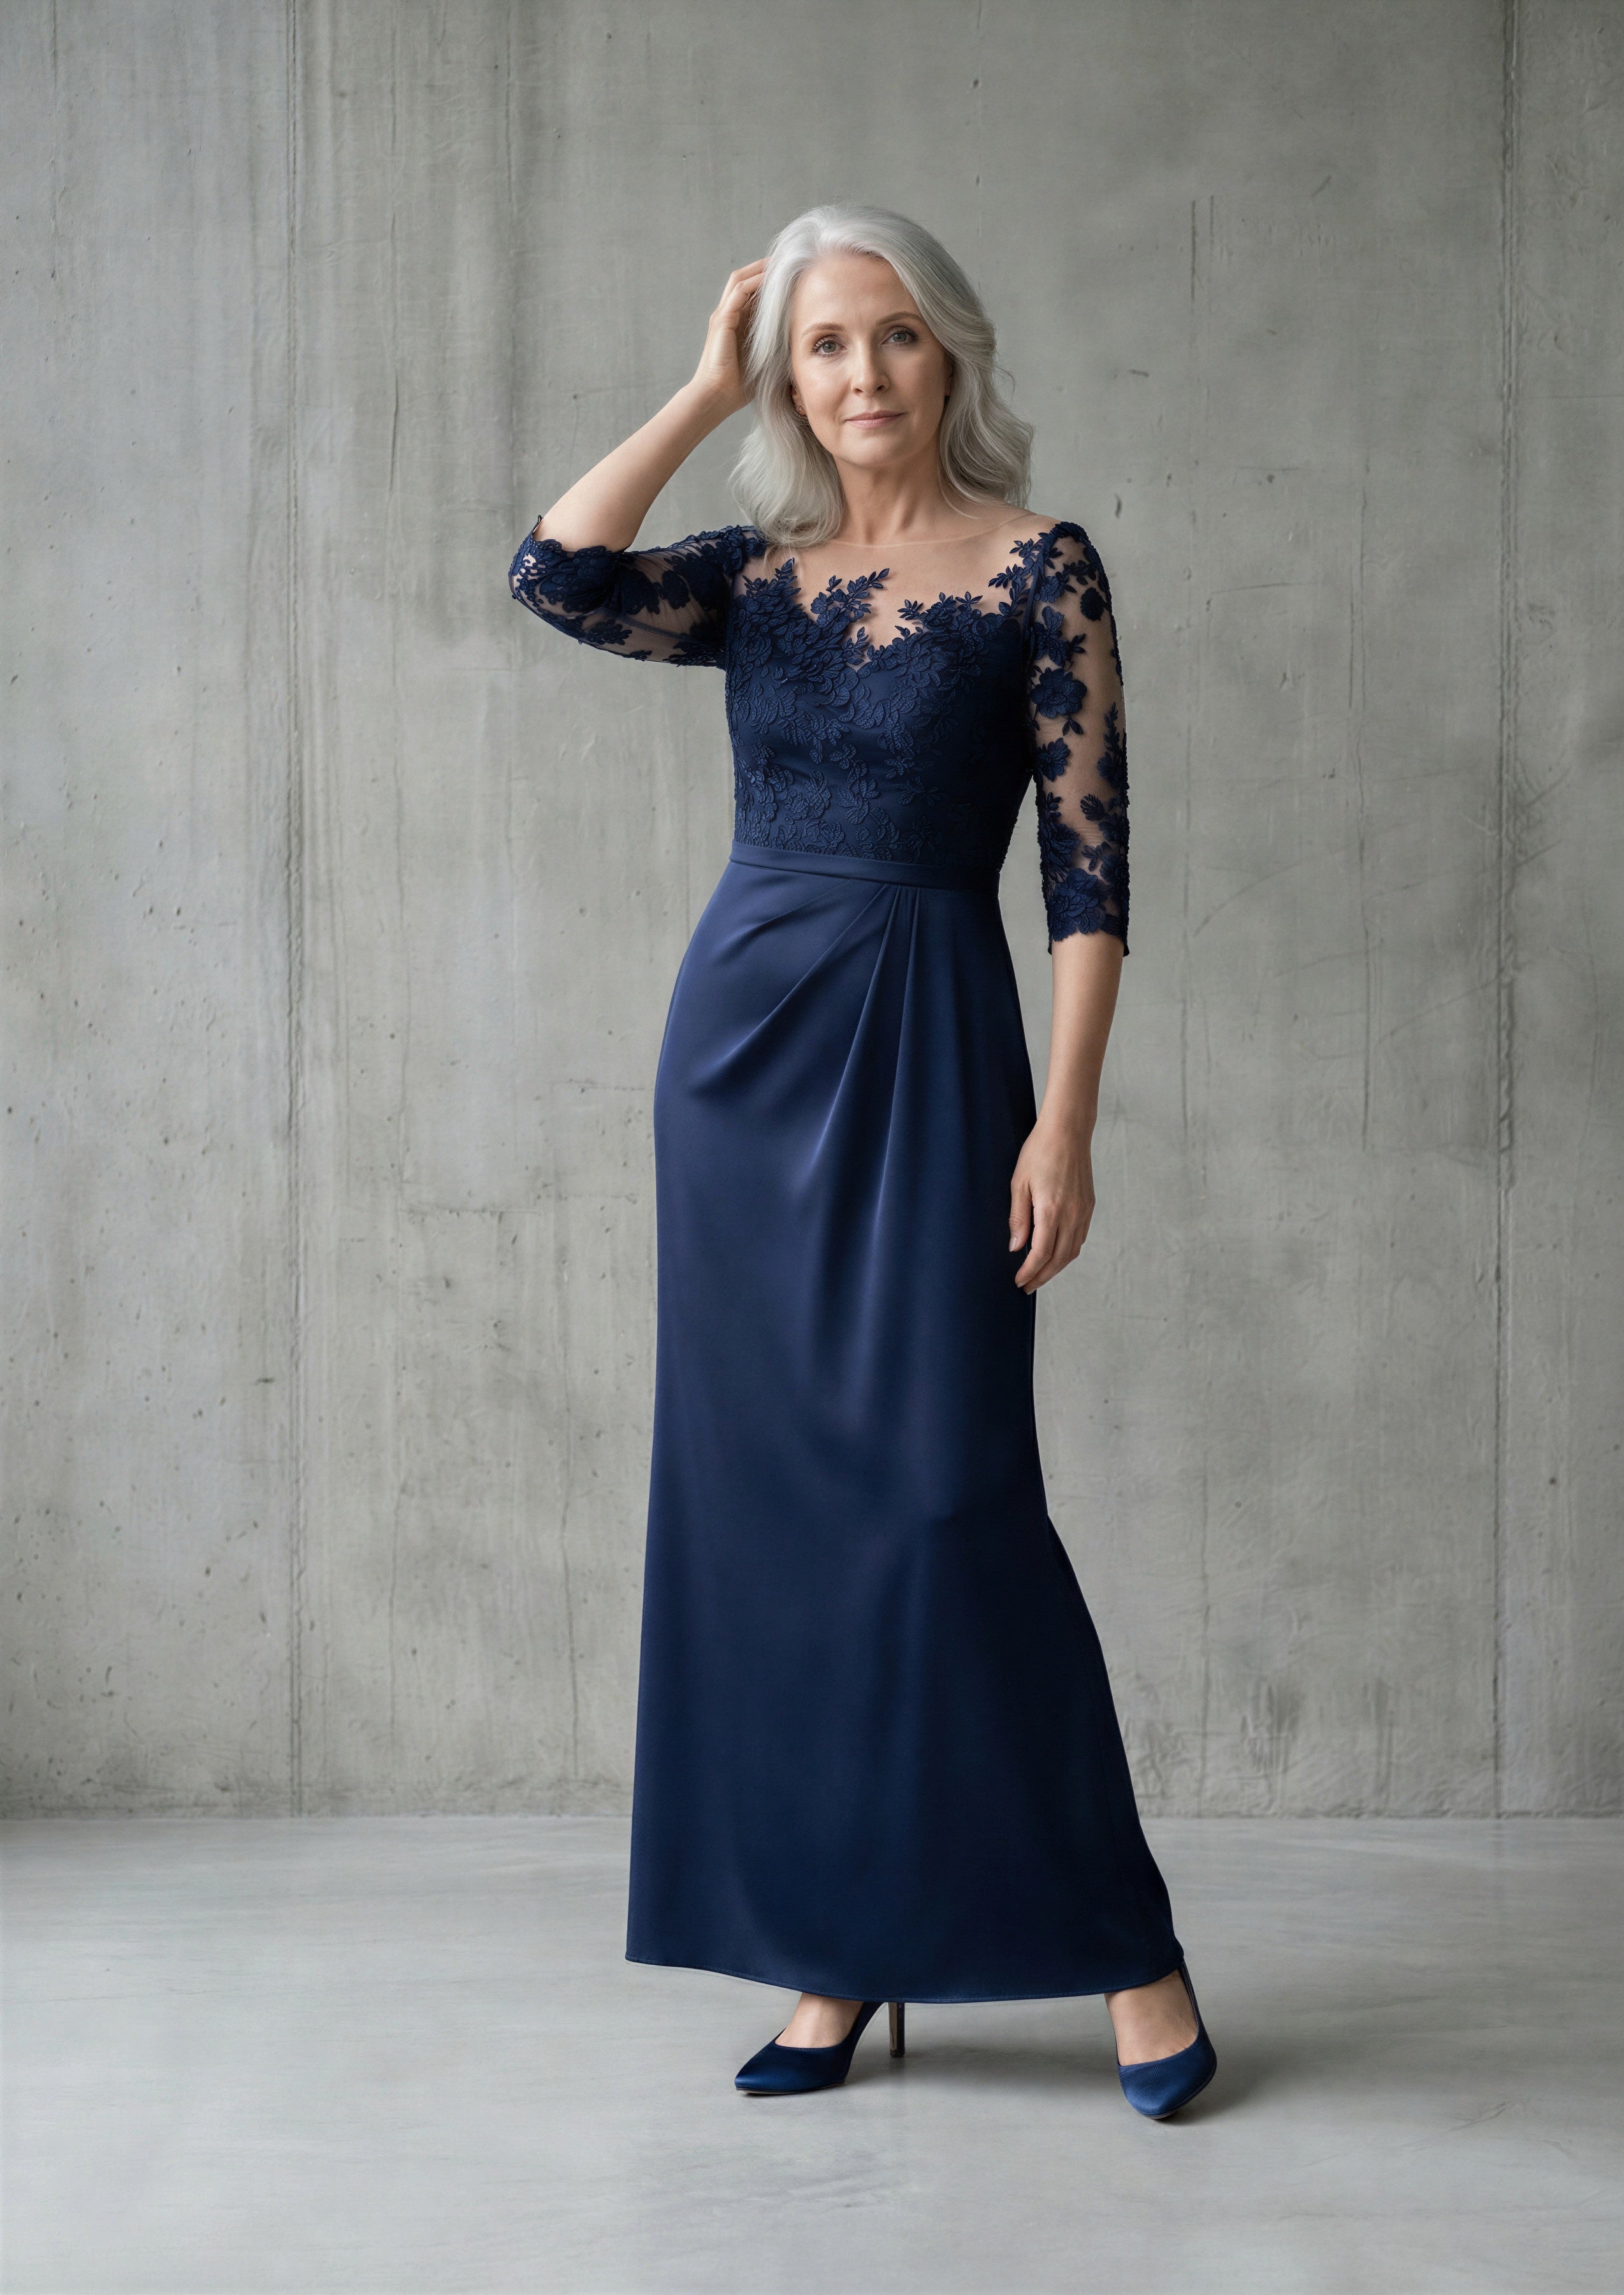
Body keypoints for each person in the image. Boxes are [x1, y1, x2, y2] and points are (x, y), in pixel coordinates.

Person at [507, 202, 1217, 2121]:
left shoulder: (1039, 567)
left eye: (893, 334)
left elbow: (1089, 873)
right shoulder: (755, 577)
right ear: (789, 378)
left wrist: (1066, 1119)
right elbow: (556, 573)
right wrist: (698, 385)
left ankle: (1133, 1957)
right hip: (740, 1059)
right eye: (822, 345)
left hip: (931, 1044)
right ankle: (833, 1953)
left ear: (949, 351)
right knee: (777, 1526)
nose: (864, 374)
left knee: (945, 1505)